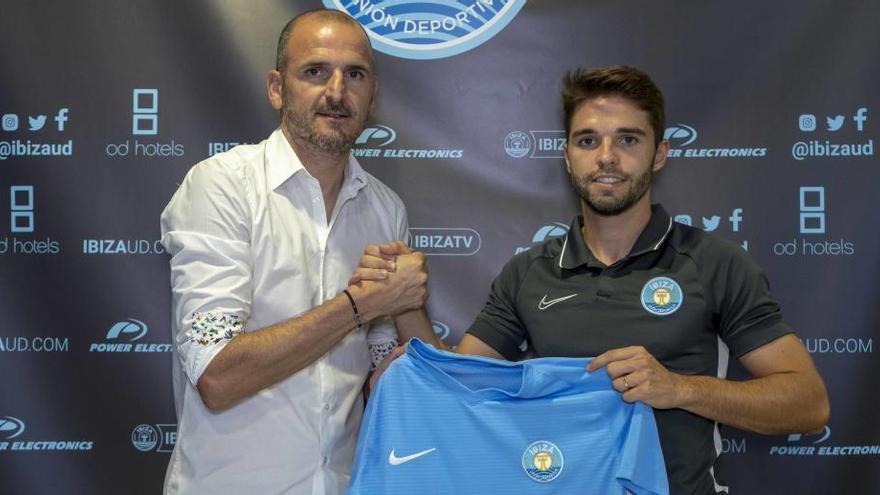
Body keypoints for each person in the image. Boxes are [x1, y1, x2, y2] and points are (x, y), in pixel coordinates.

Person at [362, 66, 829, 494]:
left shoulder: (715, 263)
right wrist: (405, 305)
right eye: (588, 141)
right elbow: (459, 392)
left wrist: (680, 388)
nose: (607, 158)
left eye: (628, 140)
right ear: (567, 156)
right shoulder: (528, 272)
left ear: (659, 153)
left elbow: (808, 405)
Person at [159, 9, 437, 495]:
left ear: (373, 95)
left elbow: (378, 377)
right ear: (276, 87)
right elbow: (216, 375)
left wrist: (405, 315)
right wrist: (359, 305)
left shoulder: (385, 208)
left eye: (355, 74)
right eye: (315, 72)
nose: (336, 91)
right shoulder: (222, 187)